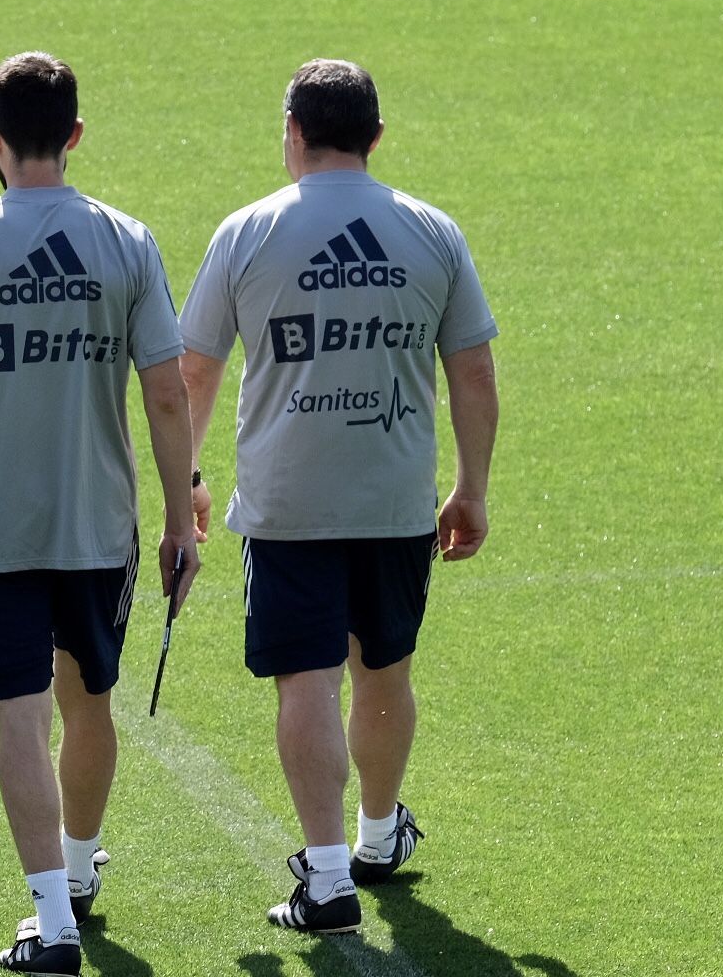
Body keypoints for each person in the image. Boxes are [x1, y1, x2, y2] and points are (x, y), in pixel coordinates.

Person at [178, 58, 500, 935]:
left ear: (291, 131)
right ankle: (376, 836)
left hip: (287, 505)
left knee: (306, 681)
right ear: (377, 138)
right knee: (383, 671)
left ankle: (325, 881)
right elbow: (471, 368)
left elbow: (194, 370)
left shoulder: (247, 231)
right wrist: (471, 489)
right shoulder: (431, 231)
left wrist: (186, 483)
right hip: (397, 500)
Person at [0, 52, 202, 976]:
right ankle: (75, 873)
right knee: (90, 704)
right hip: (98, 527)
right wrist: (180, 519)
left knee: (20, 719)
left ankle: (52, 919)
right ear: (74, 136)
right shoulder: (128, 241)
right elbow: (164, 394)